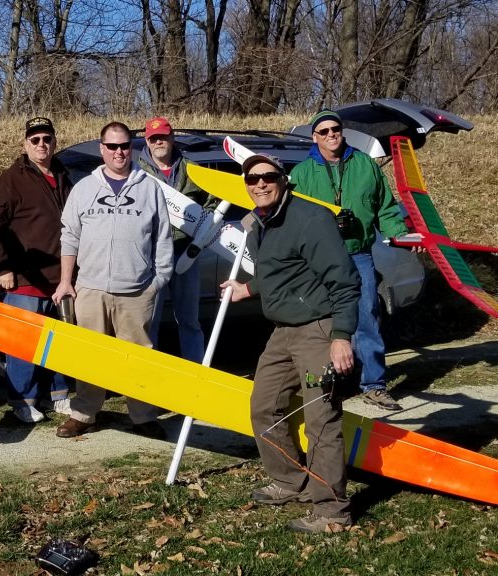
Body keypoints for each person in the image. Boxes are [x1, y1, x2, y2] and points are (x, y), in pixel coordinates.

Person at [220, 153, 360, 533]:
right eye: (252, 180)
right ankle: (289, 481)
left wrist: (341, 337)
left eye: (268, 177)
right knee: (263, 407)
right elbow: (282, 271)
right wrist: (246, 289)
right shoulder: (265, 222)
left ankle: (333, 512)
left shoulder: (311, 220)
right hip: (282, 331)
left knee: (321, 421)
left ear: (282, 179)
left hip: (318, 330)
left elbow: (345, 282)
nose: (260, 184)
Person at [52, 121, 173, 439]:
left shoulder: (149, 187)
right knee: (90, 359)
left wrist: (158, 280)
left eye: (124, 146)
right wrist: (67, 281)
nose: (119, 152)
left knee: (138, 357)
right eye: (112, 146)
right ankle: (84, 413)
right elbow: (70, 237)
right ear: (102, 149)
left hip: (136, 291)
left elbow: (163, 237)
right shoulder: (84, 189)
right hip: (91, 289)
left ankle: (143, 415)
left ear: (131, 148)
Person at [289, 109, 414, 411]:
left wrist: (402, 234)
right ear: (314, 137)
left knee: (366, 317)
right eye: (324, 131)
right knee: (317, 321)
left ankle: (374, 385)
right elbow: (292, 216)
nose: (331, 135)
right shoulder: (303, 173)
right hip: (317, 260)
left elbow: (385, 206)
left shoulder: (366, 166)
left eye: (336, 129)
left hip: (358, 255)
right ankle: (323, 383)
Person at [0, 116, 75, 424]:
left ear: (54, 143)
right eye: (35, 140)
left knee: (60, 340)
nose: (41, 145)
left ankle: (59, 396)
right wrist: (3, 265)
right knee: (23, 341)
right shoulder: (12, 179)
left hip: (60, 277)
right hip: (24, 276)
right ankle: (22, 399)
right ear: (25, 144)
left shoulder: (63, 175)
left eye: (47, 139)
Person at [135, 116, 215, 362]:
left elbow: (212, 203)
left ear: (172, 137)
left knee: (189, 321)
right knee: (149, 321)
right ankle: (151, 375)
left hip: (186, 254)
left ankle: (195, 373)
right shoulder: (135, 173)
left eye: (163, 137)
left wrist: (200, 236)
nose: (159, 142)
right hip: (150, 257)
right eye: (154, 138)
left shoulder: (193, 170)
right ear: (147, 142)